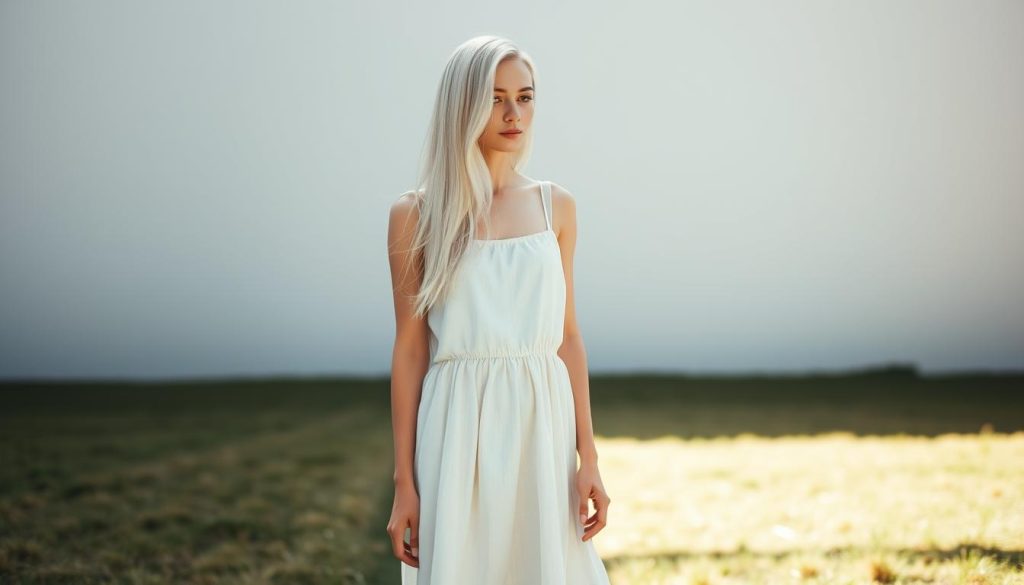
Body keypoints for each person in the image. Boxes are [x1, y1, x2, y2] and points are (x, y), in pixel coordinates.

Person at [385, 35, 612, 584]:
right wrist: (404, 483)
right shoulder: (415, 216)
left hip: (543, 423)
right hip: (456, 426)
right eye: (495, 98)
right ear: (462, 104)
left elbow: (567, 338)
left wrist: (590, 457)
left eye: (525, 96)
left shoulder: (555, 206)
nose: (515, 114)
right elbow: (412, 348)